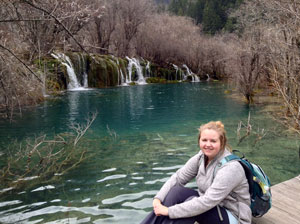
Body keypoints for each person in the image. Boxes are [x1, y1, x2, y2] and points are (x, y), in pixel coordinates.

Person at [141, 121, 252, 224]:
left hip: (233, 216)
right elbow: (179, 178)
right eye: (204, 140)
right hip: (212, 207)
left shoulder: (231, 168)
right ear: (199, 140)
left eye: (213, 141)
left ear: (222, 143)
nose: (208, 144)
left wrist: (169, 211)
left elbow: (207, 201)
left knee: (191, 204)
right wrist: (158, 199)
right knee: (176, 192)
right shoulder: (201, 157)